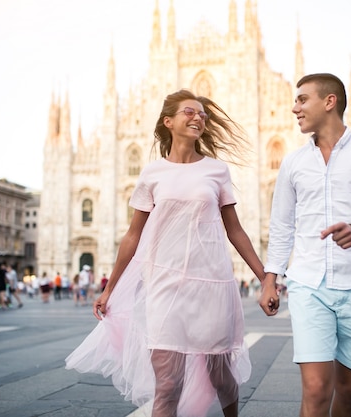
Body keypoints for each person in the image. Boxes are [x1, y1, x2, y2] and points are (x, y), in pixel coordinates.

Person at [66, 89, 274, 417]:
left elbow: (235, 230)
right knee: (168, 383)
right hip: (164, 284)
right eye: (189, 112)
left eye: (202, 114)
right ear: (169, 121)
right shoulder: (152, 173)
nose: (198, 117)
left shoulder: (216, 171)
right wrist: (110, 288)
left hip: (211, 284)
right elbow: (133, 236)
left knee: (221, 376)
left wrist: (266, 278)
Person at [263, 73, 351, 417]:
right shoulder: (293, 162)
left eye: (302, 99)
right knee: (315, 388)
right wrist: (270, 278)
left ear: (329, 102)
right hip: (308, 284)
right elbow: (281, 225)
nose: (294, 108)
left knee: (350, 389)